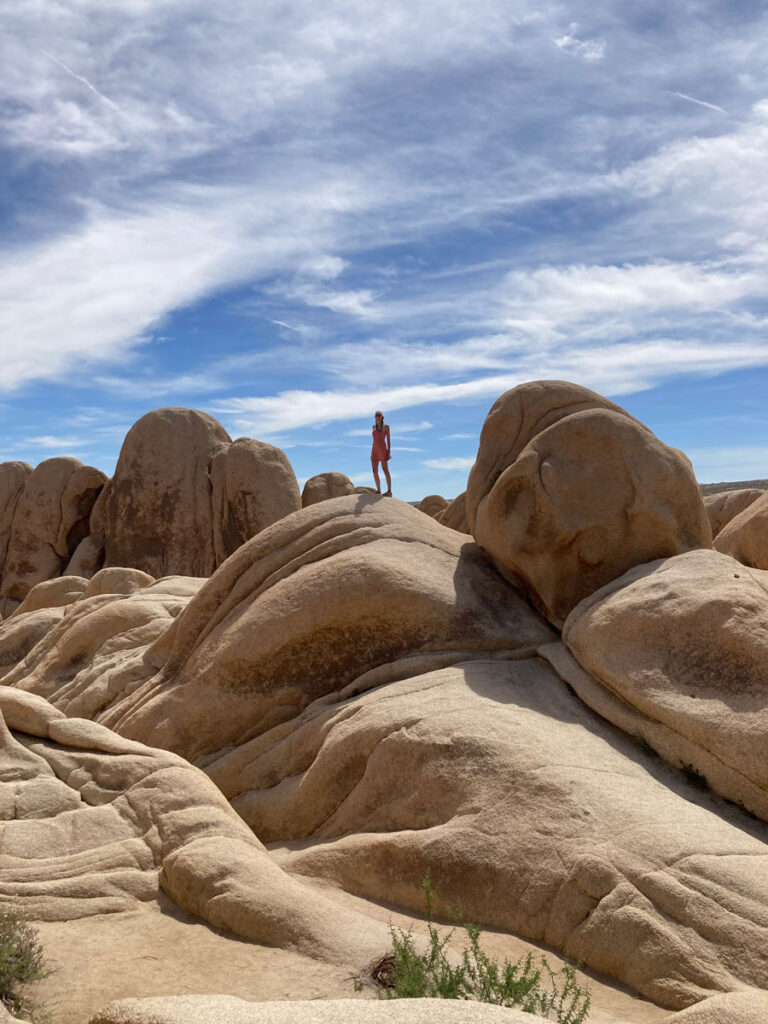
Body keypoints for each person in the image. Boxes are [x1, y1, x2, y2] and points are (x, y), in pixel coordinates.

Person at [371, 410, 392, 495]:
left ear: (382, 417)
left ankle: (389, 491)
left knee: (385, 470)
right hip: (374, 449)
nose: (378, 417)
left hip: (383, 449)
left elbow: (388, 440)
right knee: (374, 470)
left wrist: (388, 451)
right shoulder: (373, 427)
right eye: (376, 415)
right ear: (375, 417)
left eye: (379, 415)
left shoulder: (386, 427)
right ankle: (378, 490)